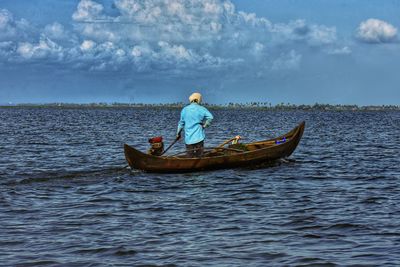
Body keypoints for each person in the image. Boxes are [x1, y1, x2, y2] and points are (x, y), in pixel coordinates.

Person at [176, 92, 213, 157]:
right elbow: (210, 117)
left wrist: (178, 134)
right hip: (199, 137)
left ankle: (190, 164)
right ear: (198, 100)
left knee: (189, 156)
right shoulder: (202, 108)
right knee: (200, 156)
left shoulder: (184, 109)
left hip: (188, 138)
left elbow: (181, 123)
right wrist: (205, 125)